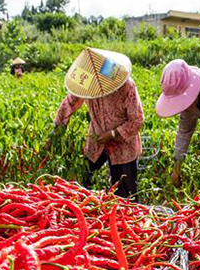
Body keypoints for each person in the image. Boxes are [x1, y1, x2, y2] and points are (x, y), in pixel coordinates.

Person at [53, 47, 144, 201]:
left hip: (123, 146)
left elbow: (137, 120)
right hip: (96, 140)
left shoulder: (126, 86)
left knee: (125, 193)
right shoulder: (86, 84)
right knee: (84, 182)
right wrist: (56, 132)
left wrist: (113, 134)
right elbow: (69, 104)